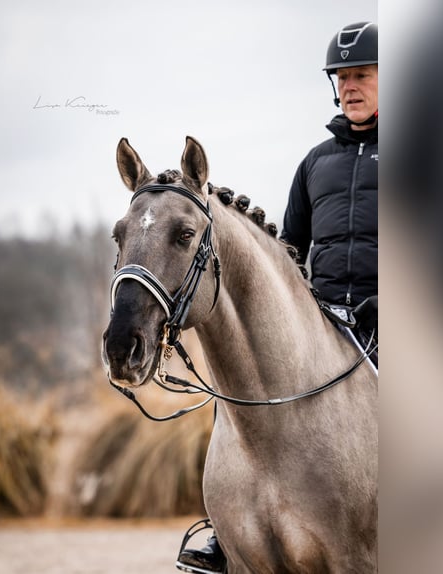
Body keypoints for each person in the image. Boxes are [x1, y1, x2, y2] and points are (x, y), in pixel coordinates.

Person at [175, 21, 378, 574]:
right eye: (341, 77)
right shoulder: (314, 164)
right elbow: (291, 255)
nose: (349, 86)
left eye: (361, 74)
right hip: (328, 317)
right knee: (249, 396)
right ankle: (226, 529)